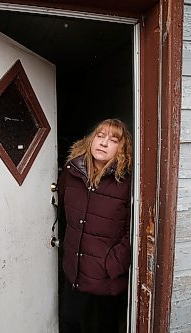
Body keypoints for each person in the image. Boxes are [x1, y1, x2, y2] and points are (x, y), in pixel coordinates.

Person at [57, 118, 133, 333]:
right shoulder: (71, 174)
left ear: (122, 149)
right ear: (91, 140)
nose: (104, 143)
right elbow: (61, 215)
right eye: (100, 136)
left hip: (107, 275)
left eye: (113, 139)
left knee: (105, 326)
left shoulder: (127, 183)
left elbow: (135, 229)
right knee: (70, 321)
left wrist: (113, 264)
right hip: (75, 270)